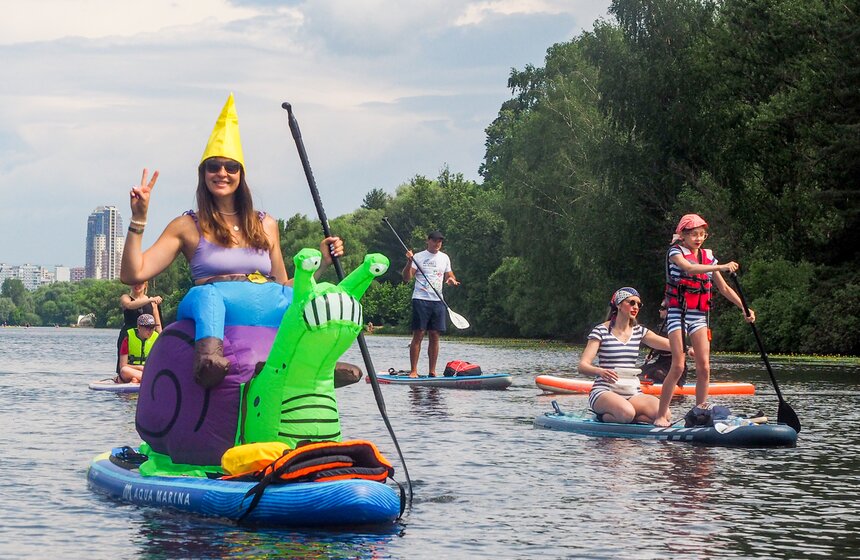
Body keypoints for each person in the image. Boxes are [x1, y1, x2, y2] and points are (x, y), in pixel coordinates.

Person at [120, 93, 343, 386]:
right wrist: (139, 218)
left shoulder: (266, 224)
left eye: (231, 167)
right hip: (211, 303)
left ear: (241, 174)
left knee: (308, 296)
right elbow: (132, 273)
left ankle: (317, 362)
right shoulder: (187, 225)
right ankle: (208, 359)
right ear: (204, 174)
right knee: (208, 297)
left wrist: (322, 264)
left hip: (262, 303)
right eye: (214, 166)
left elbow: (283, 287)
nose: (222, 173)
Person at [654, 214, 755, 427]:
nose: (698, 238)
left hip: (698, 316)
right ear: (683, 236)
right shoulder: (675, 252)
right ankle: (661, 415)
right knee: (678, 365)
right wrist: (721, 267)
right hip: (677, 314)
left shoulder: (708, 256)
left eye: (702, 234)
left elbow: (724, 288)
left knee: (705, 367)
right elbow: (689, 268)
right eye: (693, 235)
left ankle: (700, 412)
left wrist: (745, 309)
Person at [579, 287, 678, 424]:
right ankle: (604, 416)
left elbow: (671, 345)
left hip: (632, 392)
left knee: (664, 414)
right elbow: (583, 366)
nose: (635, 307)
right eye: (631, 302)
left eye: (638, 304)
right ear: (619, 305)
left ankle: (628, 417)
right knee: (626, 413)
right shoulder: (600, 331)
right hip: (604, 391)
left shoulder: (640, 331)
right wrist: (600, 371)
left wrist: (690, 348)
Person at [402, 230, 460, 378]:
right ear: (428, 241)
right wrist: (409, 262)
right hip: (421, 299)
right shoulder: (419, 257)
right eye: (434, 240)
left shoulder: (444, 258)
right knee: (419, 334)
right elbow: (407, 278)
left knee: (435, 335)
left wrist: (451, 279)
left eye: (440, 241)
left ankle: (432, 371)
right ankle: (413, 371)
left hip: (438, 301)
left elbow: (449, 274)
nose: (437, 243)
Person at [116, 280, 162, 374]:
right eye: (134, 282)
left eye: (140, 283)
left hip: (148, 336)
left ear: (145, 285)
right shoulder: (126, 298)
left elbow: (158, 325)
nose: (137, 285)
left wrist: (163, 341)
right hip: (128, 336)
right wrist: (149, 300)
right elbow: (129, 305)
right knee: (124, 365)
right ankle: (124, 377)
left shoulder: (152, 303)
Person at [117, 314, 160, 383]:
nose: (150, 331)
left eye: (152, 328)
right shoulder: (127, 338)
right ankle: (149, 380)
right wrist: (140, 368)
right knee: (124, 370)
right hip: (132, 370)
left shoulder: (156, 338)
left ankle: (137, 380)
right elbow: (123, 365)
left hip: (149, 371)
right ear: (139, 327)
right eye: (147, 327)